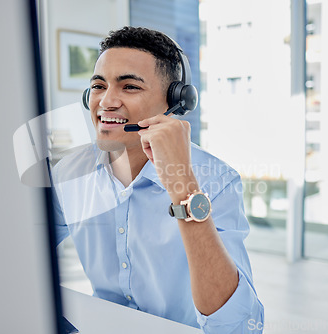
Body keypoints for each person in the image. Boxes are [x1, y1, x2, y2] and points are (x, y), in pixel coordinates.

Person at [52, 26, 264, 333]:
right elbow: (23, 257)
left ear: (175, 101)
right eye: (98, 86)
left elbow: (237, 327)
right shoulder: (69, 173)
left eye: (129, 87)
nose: (106, 102)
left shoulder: (216, 180)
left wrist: (182, 186)